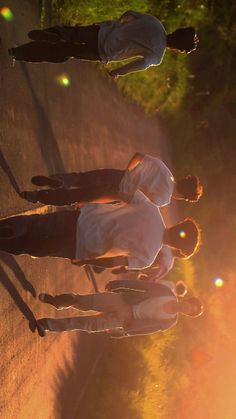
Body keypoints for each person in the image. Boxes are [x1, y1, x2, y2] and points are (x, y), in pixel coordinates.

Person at [0, 191, 201, 269]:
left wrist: (88, 199)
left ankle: (8, 228)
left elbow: (119, 193)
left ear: (179, 224)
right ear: (178, 249)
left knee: (36, 224)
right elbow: (114, 261)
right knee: (35, 247)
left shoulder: (151, 208)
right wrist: (86, 260)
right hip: (82, 246)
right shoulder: (147, 257)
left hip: (83, 219)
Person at [8, 10, 199, 76]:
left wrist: (119, 24)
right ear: (177, 49)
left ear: (177, 31)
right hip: (104, 51)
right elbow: (138, 64)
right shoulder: (156, 56)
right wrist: (117, 72)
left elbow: (130, 13)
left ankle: (52, 34)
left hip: (103, 32)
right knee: (65, 52)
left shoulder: (155, 23)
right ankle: (18, 53)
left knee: (71, 33)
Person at [20, 153, 203, 206]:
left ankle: (59, 181)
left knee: (80, 177)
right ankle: (36, 196)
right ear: (184, 196)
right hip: (116, 193)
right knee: (75, 197)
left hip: (118, 176)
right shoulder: (163, 200)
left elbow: (139, 156)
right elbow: (138, 202)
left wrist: (127, 171)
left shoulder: (164, 169)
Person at [36, 278, 203, 337]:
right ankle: (57, 301)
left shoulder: (169, 322)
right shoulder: (166, 291)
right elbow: (142, 285)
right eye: (190, 306)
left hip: (124, 320)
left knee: (86, 325)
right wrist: (120, 284)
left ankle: (47, 325)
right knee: (83, 302)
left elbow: (148, 330)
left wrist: (126, 333)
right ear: (188, 300)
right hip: (122, 300)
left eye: (190, 312)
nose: (187, 310)